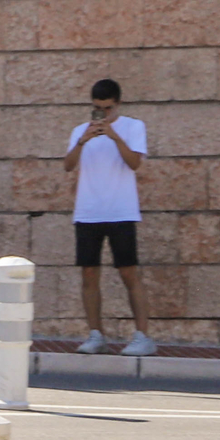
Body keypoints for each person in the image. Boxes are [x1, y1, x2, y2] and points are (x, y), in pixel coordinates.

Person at [63, 78, 156, 356]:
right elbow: (68, 166)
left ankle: (142, 336)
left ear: (118, 104)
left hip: (121, 210)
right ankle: (96, 334)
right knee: (89, 274)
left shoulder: (133, 127)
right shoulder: (80, 130)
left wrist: (114, 136)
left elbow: (135, 163)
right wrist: (82, 141)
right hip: (88, 212)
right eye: (97, 108)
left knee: (129, 272)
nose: (102, 113)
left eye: (107, 108)